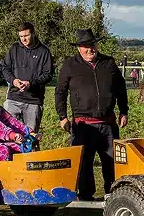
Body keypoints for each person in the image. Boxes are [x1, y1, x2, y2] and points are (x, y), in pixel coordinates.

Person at [55, 30, 129, 200]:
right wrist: (62, 116)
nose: (90, 49)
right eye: (86, 46)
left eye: (92, 45)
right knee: (84, 162)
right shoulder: (70, 65)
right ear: (79, 48)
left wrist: (124, 110)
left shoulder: (108, 63)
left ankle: (113, 195)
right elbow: (60, 92)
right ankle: (86, 196)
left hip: (107, 122)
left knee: (111, 162)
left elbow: (120, 88)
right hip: (83, 124)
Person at [3, 21, 54, 132]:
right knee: (8, 135)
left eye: (26, 35)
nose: (23, 39)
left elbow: (48, 74)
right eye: (21, 36)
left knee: (31, 137)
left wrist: (31, 83)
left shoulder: (44, 52)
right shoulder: (14, 49)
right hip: (13, 99)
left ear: (33, 34)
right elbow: (5, 68)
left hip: (33, 101)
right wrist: (13, 81)